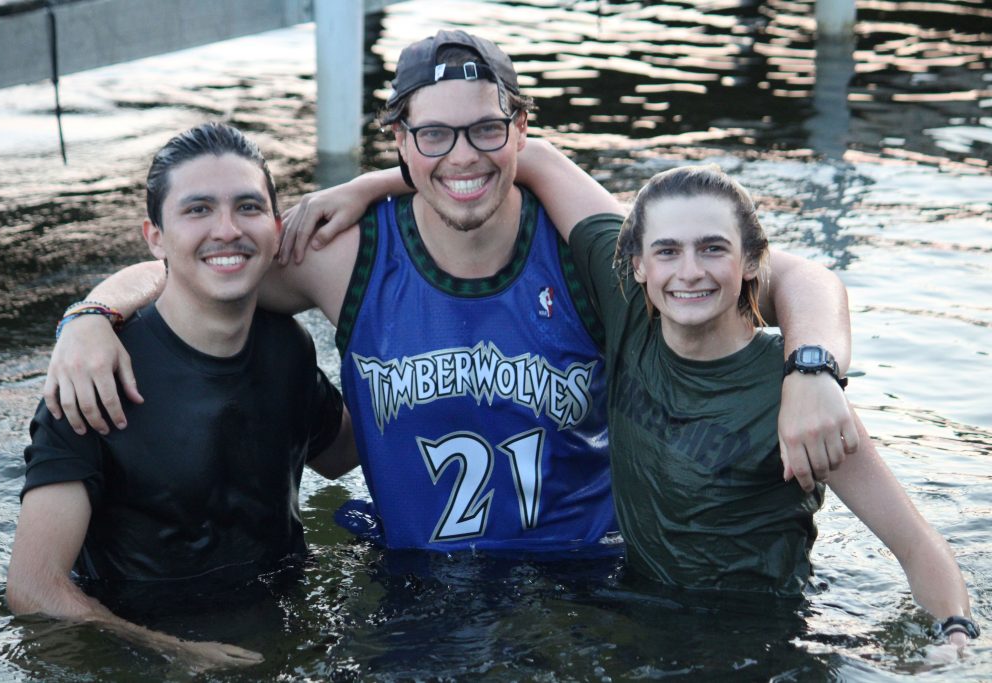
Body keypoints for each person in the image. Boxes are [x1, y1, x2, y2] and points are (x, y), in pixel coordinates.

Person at [43, 31, 856, 554]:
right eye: (434, 133)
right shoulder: (346, 255)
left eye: (485, 130)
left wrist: (811, 369)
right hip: (414, 588)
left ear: (520, 132)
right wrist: (91, 313)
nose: (461, 154)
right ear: (399, 139)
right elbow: (209, 264)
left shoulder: (583, 248)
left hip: (583, 579)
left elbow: (791, 273)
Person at [543, 161, 978, 651]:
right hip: (644, 613)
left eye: (713, 248)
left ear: (751, 261)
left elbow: (918, 546)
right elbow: (532, 157)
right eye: (667, 251)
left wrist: (955, 637)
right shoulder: (628, 314)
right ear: (638, 264)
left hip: (761, 640)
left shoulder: (796, 392)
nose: (689, 271)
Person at [6, 123, 358, 671]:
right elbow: (31, 591)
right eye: (197, 210)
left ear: (273, 224)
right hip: (148, 649)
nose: (226, 229)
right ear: (155, 236)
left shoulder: (286, 345)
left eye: (247, 207)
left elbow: (342, 456)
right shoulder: (92, 375)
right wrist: (174, 652)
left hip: (282, 624)